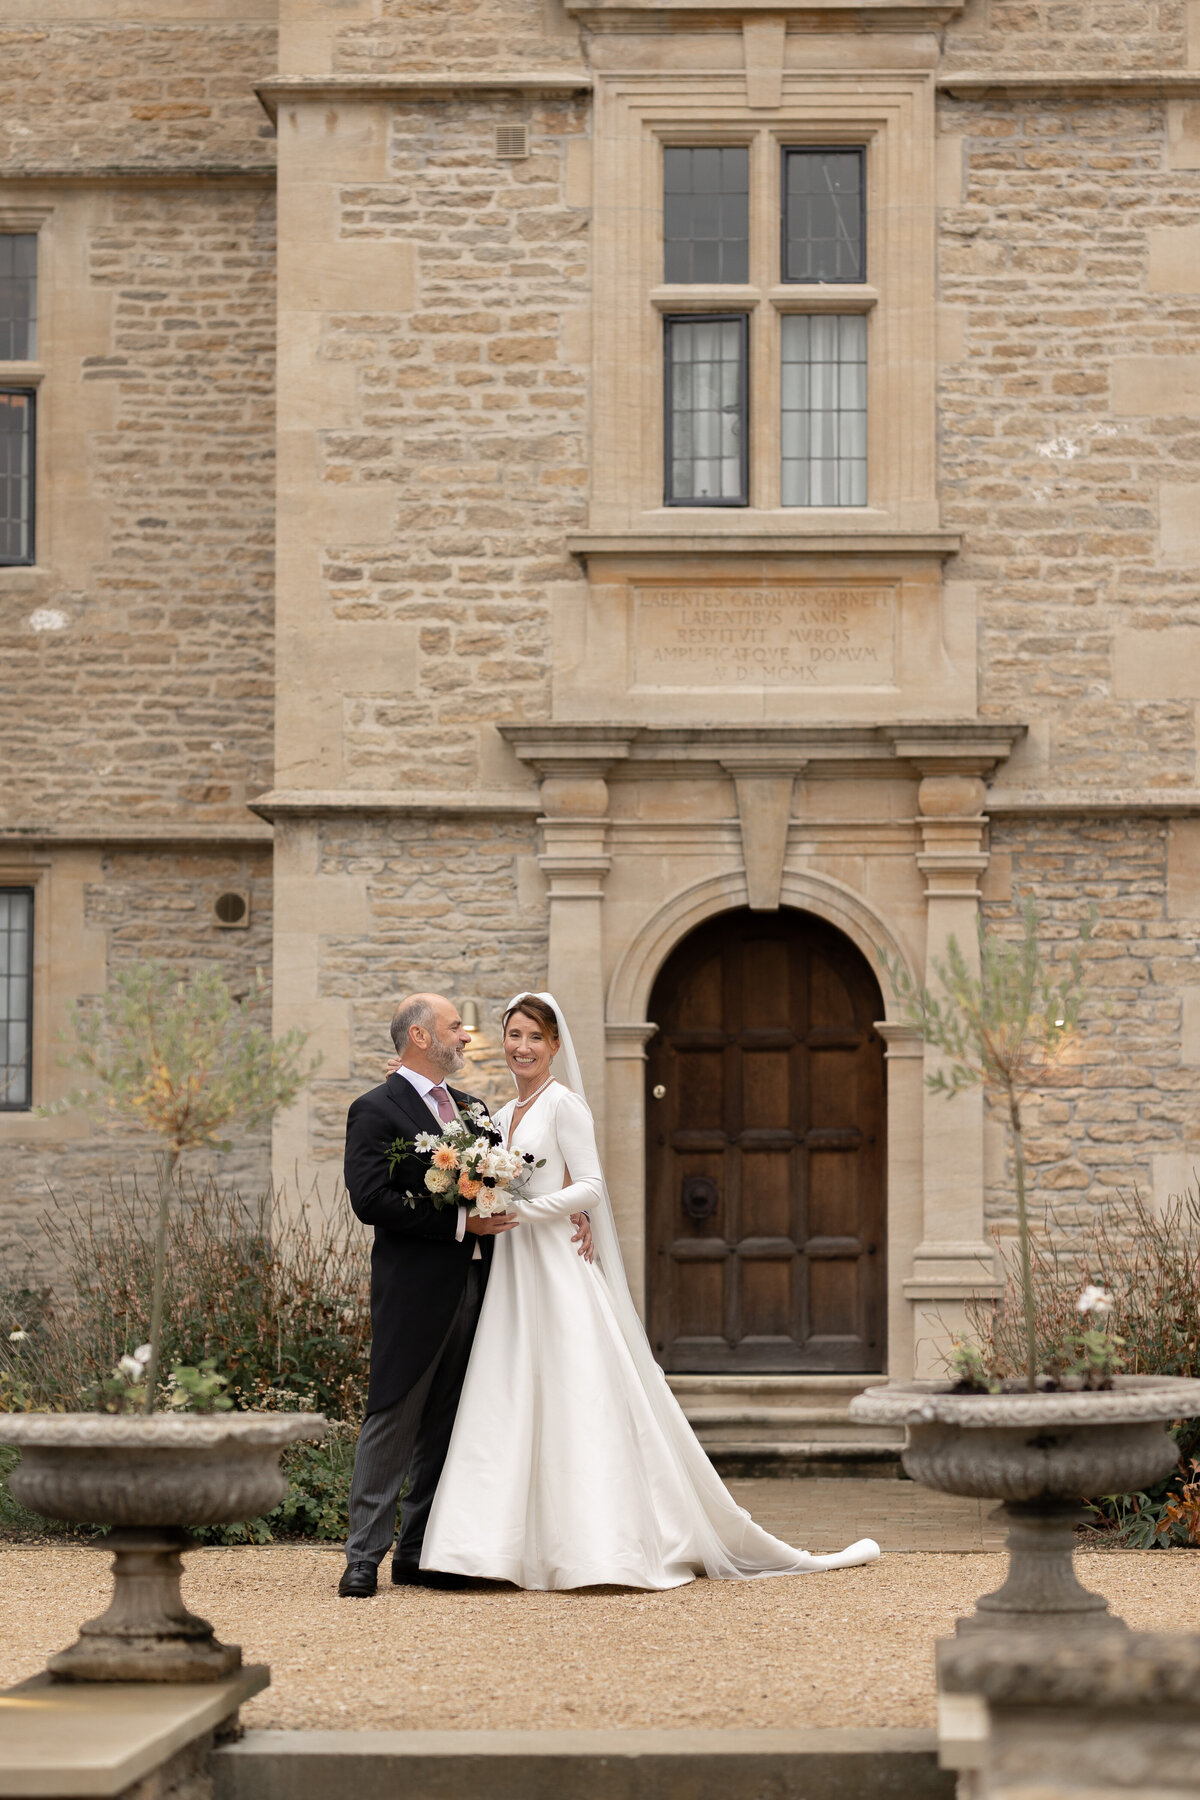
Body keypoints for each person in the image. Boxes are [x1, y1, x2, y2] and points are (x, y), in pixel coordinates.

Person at [420, 991, 881, 1590]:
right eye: (514, 1035)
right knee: (510, 1390)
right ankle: (495, 1550)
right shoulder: (501, 1117)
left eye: (535, 1036)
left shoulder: (565, 1106)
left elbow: (589, 1186)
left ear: (556, 1045)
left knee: (575, 1390)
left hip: (555, 1266)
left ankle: (598, 1546)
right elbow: (469, 1153)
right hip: (514, 1272)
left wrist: (529, 1212)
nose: (523, 1047)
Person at [338, 991, 592, 1598]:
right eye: (456, 1027)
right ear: (420, 1036)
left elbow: (516, 1181)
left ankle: (420, 1552)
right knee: (393, 1415)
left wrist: (568, 1214)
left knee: (451, 1421)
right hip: (415, 1292)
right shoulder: (375, 1109)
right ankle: (363, 1558)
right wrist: (459, 1224)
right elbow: (371, 1201)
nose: (466, 1037)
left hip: (487, 1288)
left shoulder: (476, 1112)